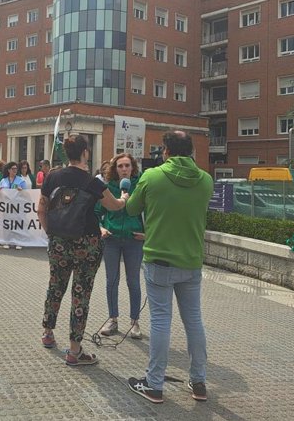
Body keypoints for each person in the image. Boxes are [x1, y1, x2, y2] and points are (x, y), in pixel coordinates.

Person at [126, 131, 213, 404]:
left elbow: (130, 209)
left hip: (159, 260)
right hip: (191, 260)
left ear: (165, 151)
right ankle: (198, 382)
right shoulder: (206, 180)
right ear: (192, 152)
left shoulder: (152, 177)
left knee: (161, 321)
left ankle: (154, 384)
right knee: (194, 321)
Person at [37, 135, 128, 366]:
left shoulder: (52, 176)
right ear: (85, 152)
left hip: (58, 243)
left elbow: (41, 209)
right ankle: (74, 350)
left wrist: (51, 234)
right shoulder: (93, 183)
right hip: (86, 244)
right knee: (81, 295)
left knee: (55, 286)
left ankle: (48, 333)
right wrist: (125, 198)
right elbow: (114, 206)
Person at [96, 153, 145, 339]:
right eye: (120, 166)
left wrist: (147, 234)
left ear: (133, 167)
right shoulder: (107, 188)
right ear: (114, 169)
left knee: (133, 281)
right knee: (112, 281)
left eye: (127, 165)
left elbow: (151, 213)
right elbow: (95, 213)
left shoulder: (141, 187)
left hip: (134, 239)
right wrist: (100, 228)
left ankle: (135, 322)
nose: (124, 169)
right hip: (112, 239)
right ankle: (112, 319)